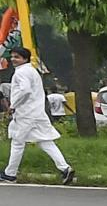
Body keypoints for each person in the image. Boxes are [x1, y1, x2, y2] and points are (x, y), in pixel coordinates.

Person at [2, 48, 74, 185]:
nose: (13, 59)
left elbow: (25, 90)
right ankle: (65, 168)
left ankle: (10, 174)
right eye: (12, 57)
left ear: (25, 58)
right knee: (45, 141)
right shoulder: (32, 71)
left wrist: (13, 105)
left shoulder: (21, 72)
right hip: (37, 112)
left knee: (17, 142)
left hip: (25, 113)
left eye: (16, 57)